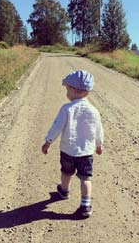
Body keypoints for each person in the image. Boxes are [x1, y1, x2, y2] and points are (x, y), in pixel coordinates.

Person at [41, 70, 104, 218]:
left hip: (68, 151)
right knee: (86, 178)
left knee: (66, 172)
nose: (66, 93)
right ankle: (85, 205)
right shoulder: (94, 111)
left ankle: (64, 190)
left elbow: (57, 127)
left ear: (74, 90)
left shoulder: (67, 108)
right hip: (86, 152)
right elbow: (98, 130)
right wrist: (99, 145)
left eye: (67, 89)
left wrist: (48, 142)